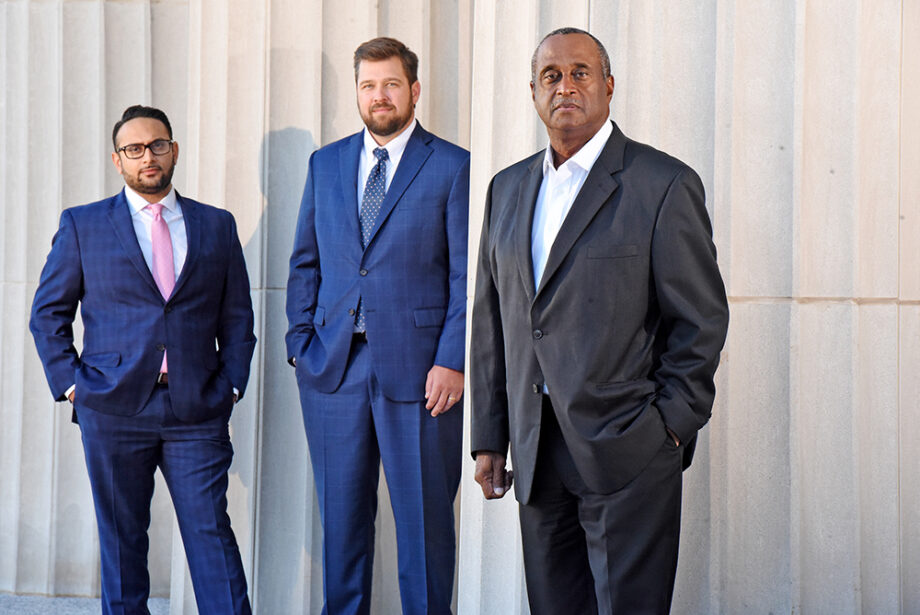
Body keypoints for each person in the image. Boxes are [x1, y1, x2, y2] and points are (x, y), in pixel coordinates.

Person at [470, 27, 730, 615]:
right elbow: (492, 320)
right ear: (533, 92)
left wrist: (668, 428)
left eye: (580, 73)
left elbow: (701, 321)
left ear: (609, 86)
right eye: (551, 76)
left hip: (629, 452)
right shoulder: (506, 189)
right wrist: (490, 436)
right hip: (536, 454)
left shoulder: (663, 184)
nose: (565, 86)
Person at [30, 105, 256, 615]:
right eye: (133, 149)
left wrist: (231, 385)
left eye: (157, 145)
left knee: (211, 535)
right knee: (123, 542)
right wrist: (74, 387)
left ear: (174, 150)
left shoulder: (216, 225)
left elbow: (237, 317)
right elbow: (48, 314)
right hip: (112, 408)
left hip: (196, 408)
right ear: (118, 160)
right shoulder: (84, 224)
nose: (147, 156)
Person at [285, 37, 469, 615]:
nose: (379, 95)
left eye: (391, 84)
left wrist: (453, 359)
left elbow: (466, 276)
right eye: (368, 85)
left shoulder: (453, 165)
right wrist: (300, 345)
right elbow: (305, 262)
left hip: (423, 375)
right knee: (341, 530)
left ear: (414, 90)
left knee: (424, 529)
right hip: (332, 369)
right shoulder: (326, 163)